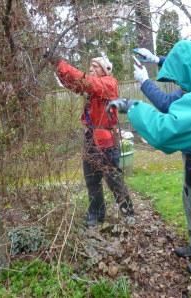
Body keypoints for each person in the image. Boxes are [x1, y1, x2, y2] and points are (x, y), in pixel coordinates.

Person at [108, 40, 191, 298]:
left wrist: (133, 107)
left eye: (184, 81)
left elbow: (168, 130)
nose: (183, 88)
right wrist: (157, 61)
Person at [131, 30, 191, 278]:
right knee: (188, 199)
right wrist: (156, 59)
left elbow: (168, 105)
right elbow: (185, 64)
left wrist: (144, 82)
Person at [48, 55, 134, 227]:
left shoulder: (109, 83)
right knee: (91, 180)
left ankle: (128, 212)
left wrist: (61, 63)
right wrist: (57, 67)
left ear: (104, 70)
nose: (91, 69)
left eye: (95, 66)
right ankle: (97, 213)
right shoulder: (90, 87)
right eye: (90, 66)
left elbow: (86, 82)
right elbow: (73, 84)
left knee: (114, 180)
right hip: (90, 140)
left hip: (106, 141)